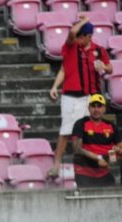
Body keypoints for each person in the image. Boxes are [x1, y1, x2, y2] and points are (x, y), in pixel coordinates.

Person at [48, 15, 112, 178]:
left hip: (91, 96)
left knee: (89, 131)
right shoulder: (71, 47)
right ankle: (56, 166)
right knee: (66, 131)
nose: (77, 39)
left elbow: (110, 68)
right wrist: (55, 86)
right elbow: (64, 69)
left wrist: (104, 67)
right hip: (71, 96)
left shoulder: (99, 50)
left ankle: (90, 164)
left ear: (88, 36)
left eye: (81, 36)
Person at [71, 94, 122, 187]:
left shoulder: (111, 126)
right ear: (88, 108)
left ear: (104, 108)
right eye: (93, 106)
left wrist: (118, 150)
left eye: (99, 106)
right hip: (84, 172)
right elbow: (77, 148)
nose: (96, 109)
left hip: (104, 172)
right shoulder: (80, 123)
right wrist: (98, 158)